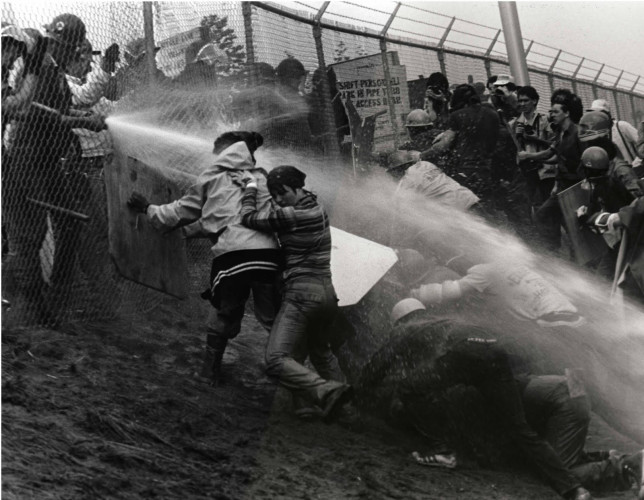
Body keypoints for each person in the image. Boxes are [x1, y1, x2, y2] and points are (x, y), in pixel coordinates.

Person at [357, 298, 593, 500]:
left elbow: (377, 367)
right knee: (519, 428)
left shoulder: (405, 329)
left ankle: (443, 451)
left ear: (399, 320)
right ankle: (573, 490)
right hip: (494, 352)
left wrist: (356, 392)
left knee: (408, 388)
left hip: (465, 355)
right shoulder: (442, 322)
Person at [127, 131, 281, 385]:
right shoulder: (261, 178)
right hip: (267, 257)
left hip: (232, 256)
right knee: (275, 318)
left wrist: (148, 208)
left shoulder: (211, 177)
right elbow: (229, 216)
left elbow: (181, 211)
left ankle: (209, 373)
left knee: (224, 311)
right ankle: (288, 374)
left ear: (223, 152)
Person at [2, 13, 107, 325]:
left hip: (48, 159)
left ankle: (57, 290)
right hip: (27, 157)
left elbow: (56, 110)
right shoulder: (41, 69)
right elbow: (42, 117)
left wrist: (78, 115)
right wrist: (83, 120)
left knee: (67, 223)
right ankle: (29, 304)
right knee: (27, 235)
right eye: (57, 43)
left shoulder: (54, 72)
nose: (59, 49)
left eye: (64, 45)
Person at [239, 165, 355, 424]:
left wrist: (250, 187)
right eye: (275, 194)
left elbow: (248, 217)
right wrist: (270, 186)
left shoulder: (293, 216)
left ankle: (326, 391)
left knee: (276, 359)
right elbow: (279, 206)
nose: (279, 199)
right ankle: (343, 412)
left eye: (283, 193)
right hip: (327, 294)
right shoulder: (315, 205)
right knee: (320, 352)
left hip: (303, 295)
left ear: (297, 188)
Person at [420, 84, 500, 211]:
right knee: (489, 206)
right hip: (489, 169)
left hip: (467, 170)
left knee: (470, 208)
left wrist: (421, 155)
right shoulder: (492, 114)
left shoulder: (457, 115)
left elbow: (443, 146)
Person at [575, 147, 638, 281]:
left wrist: (584, 218)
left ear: (587, 169)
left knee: (603, 278)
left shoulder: (603, 189)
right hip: (624, 241)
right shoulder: (609, 183)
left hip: (623, 243)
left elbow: (607, 219)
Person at [533, 89, 584, 252]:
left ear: (567, 113)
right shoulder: (559, 133)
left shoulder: (577, 132)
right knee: (542, 214)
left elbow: (583, 160)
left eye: (555, 111)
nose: (551, 114)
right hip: (563, 185)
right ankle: (553, 250)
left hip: (575, 186)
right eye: (551, 111)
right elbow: (554, 155)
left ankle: (577, 255)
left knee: (576, 224)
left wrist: (528, 155)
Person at [512, 85, 556, 211]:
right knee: (533, 206)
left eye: (526, 100)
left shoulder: (545, 121)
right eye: (520, 101)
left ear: (534, 101)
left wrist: (536, 139)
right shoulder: (515, 123)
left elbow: (555, 145)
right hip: (526, 172)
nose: (522, 104)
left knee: (549, 207)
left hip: (545, 172)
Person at [588, 99, 641, 166]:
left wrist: (637, 162)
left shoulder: (622, 126)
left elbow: (642, 142)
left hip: (634, 170)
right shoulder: (597, 134)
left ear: (607, 113)